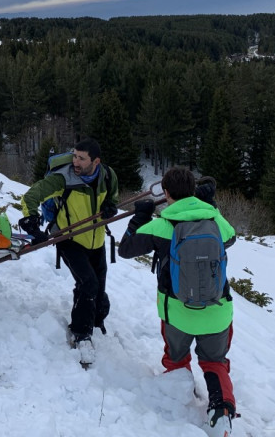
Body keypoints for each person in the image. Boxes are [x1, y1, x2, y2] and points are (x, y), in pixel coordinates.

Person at [118, 167, 236, 435]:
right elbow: (231, 238)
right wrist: (210, 204)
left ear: (167, 193)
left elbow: (125, 249)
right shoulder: (215, 220)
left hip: (176, 313)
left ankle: (177, 395)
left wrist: (139, 216)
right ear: (194, 191)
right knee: (215, 362)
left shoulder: (161, 225)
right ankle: (221, 413)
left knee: (176, 357)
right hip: (217, 311)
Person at [19, 138, 119, 363]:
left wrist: (110, 207)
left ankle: (94, 320)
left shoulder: (108, 176)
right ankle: (81, 334)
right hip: (69, 238)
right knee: (89, 284)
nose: (76, 161)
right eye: (74, 156)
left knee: (97, 289)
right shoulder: (63, 178)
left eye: (81, 158)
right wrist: (30, 219)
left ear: (96, 161)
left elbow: (113, 198)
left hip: (97, 241)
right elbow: (31, 196)